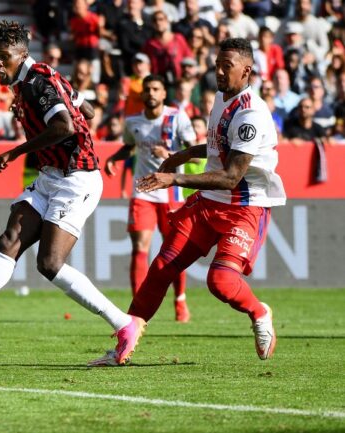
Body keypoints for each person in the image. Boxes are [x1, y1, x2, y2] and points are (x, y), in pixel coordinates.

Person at [0, 21, 142, 366]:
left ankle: (123, 324)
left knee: (49, 264)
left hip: (76, 177)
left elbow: (64, 125)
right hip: (52, 174)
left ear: (22, 53)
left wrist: (16, 151)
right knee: (10, 237)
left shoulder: (38, 80)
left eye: (4, 57)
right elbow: (89, 111)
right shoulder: (36, 79)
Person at [90, 38, 284, 366]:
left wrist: (174, 178)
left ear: (247, 70)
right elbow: (214, 148)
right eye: (217, 65)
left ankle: (259, 311)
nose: (219, 72)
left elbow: (231, 176)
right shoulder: (223, 99)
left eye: (227, 67)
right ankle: (126, 340)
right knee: (162, 266)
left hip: (244, 205)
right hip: (210, 201)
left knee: (220, 281)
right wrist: (181, 155)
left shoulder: (251, 114)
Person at [104, 74, 197, 322]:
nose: (151, 93)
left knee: (174, 250)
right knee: (139, 247)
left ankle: (180, 302)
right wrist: (114, 158)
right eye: (147, 89)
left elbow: (197, 156)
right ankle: (137, 309)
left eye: (156, 89)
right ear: (142, 94)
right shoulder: (133, 121)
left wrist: (169, 153)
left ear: (164, 93)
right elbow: (129, 146)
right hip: (143, 192)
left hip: (172, 192)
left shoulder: (177, 117)